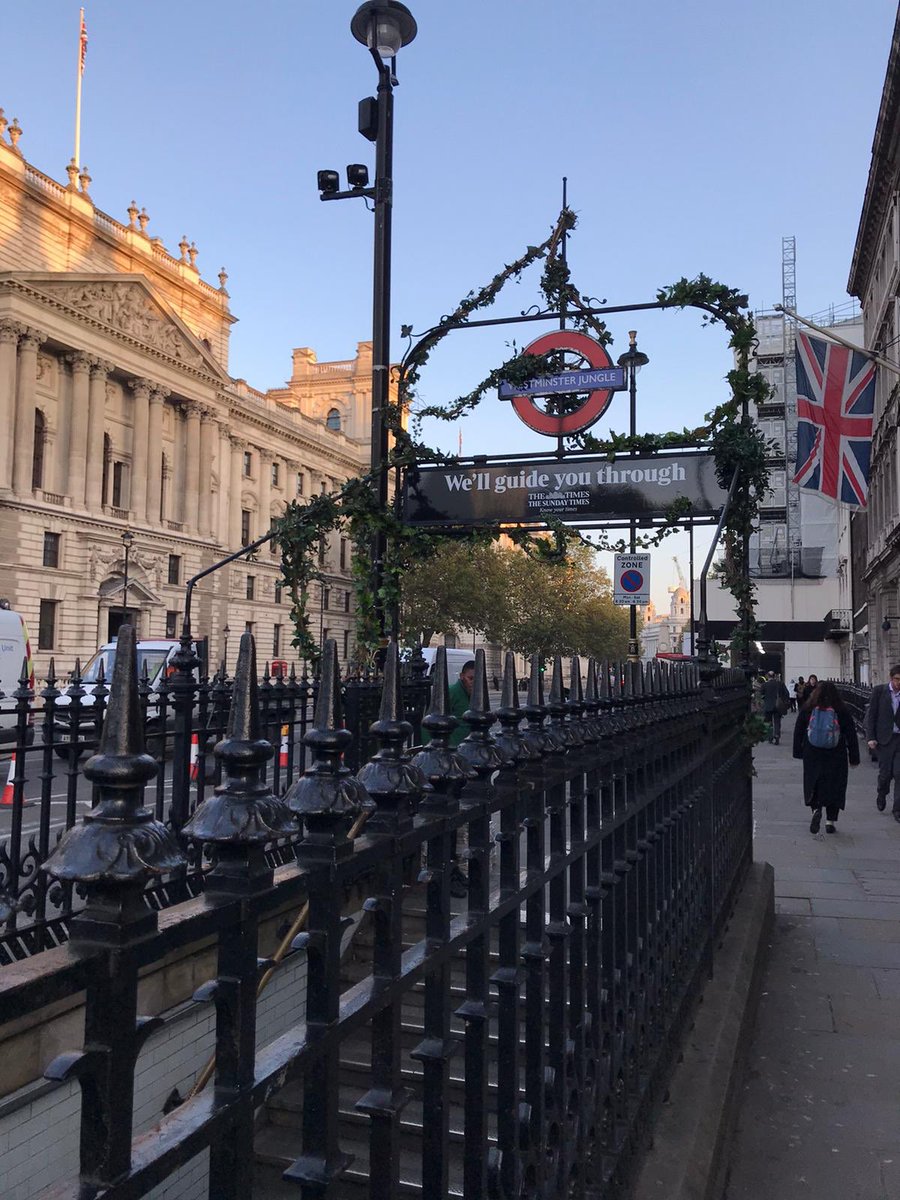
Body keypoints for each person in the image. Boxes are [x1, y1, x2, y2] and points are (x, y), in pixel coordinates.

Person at [793, 679, 860, 834]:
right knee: (835, 785)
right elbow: (851, 733)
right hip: (836, 753)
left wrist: (798, 751)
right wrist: (854, 757)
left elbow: (799, 729)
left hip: (812, 752)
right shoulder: (841, 709)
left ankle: (815, 809)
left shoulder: (808, 708)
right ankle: (830, 821)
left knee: (813, 782)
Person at [864, 663, 900, 820]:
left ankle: (897, 809)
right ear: (891, 679)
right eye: (897, 679)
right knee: (885, 774)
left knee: (899, 774)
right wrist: (870, 737)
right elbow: (872, 715)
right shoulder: (879, 691)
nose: (899, 683)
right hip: (884, 739)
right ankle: (881, 793)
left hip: (899, 739)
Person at [761, 671, 790, 744]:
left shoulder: (765, 684)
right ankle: (777, 735)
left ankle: (770, 737)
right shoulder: (780, 684)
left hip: (768, 706)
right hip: (778, 706)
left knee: (769, 722)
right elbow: (786, 693)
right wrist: (783, 701)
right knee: (777, 722)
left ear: (768, 676)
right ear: (774, 676)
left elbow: (761, 694)